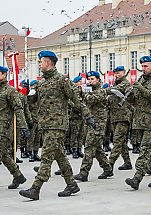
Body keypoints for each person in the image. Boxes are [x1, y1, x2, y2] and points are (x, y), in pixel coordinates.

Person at [19, 50, 95, 200]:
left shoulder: (62, 80)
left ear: (48, 62)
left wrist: (88, 116)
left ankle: (36, 188)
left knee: (46, 156)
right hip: (45, 125)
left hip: (57, 125)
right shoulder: (41, 82)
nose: (39, 64)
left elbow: (76, 99)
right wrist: (28, 91)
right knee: (60, 156)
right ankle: (72, 184)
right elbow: (32, 102)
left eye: (40, 62)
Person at [125, 56, 151, 190]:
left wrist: (141, 89)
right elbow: (136, 100)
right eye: (142, 66)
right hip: (141, 120)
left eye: (146, 66)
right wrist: (129, 94)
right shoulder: (141, 79)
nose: (143, 69)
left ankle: (137, 178)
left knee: (145, 149)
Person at [74, 71, 112, 181]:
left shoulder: (101, 91)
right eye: (89, 79)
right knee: (97, 149)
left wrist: (83, 92)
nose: (90, 81)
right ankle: (107, 168)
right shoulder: (89, 91)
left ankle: (83, 173)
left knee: (89, 147)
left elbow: (91, 99)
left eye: (92, 79)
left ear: (98, 80)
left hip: (98, 124)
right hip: (90, 123)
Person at [0, 65, 29, 189]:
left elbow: (18, 108)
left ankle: (17, 175)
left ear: (4, 75)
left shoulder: (10, 90)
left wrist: (23, 126)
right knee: (3, 154)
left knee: (1, 152)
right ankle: (18, 175)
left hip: (4, 128)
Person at [106, 66, 133, 172]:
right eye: (115, 73)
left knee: (117, 140)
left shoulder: (125, 84)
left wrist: (105, 91)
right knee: (120, 141)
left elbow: (115, 90)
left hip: (123, 117)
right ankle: (127, 162)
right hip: (115, 116)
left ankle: (109, 165)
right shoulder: (115, 84)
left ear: (124, 73)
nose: (117, 75)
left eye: (119, 73)